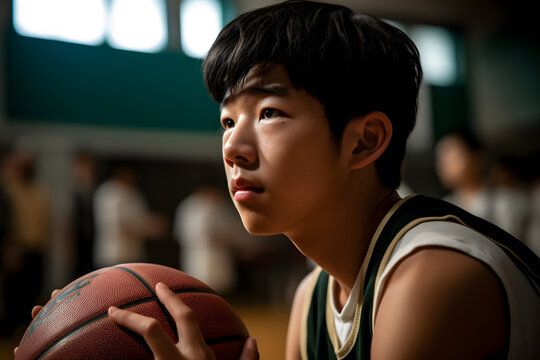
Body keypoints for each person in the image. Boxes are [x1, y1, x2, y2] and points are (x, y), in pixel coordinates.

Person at [21, 1, 539, 359]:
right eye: (227, 121)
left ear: (363, 141)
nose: (233, 147)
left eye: (269, 112)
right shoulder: (314, 295)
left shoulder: (433, 280)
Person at [93, 163, 166, 268]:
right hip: (115, 255)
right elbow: (117, 227)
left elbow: (140, 218)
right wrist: (147, 228)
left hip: (133, 254)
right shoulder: (110, 192)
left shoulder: (135, 194)